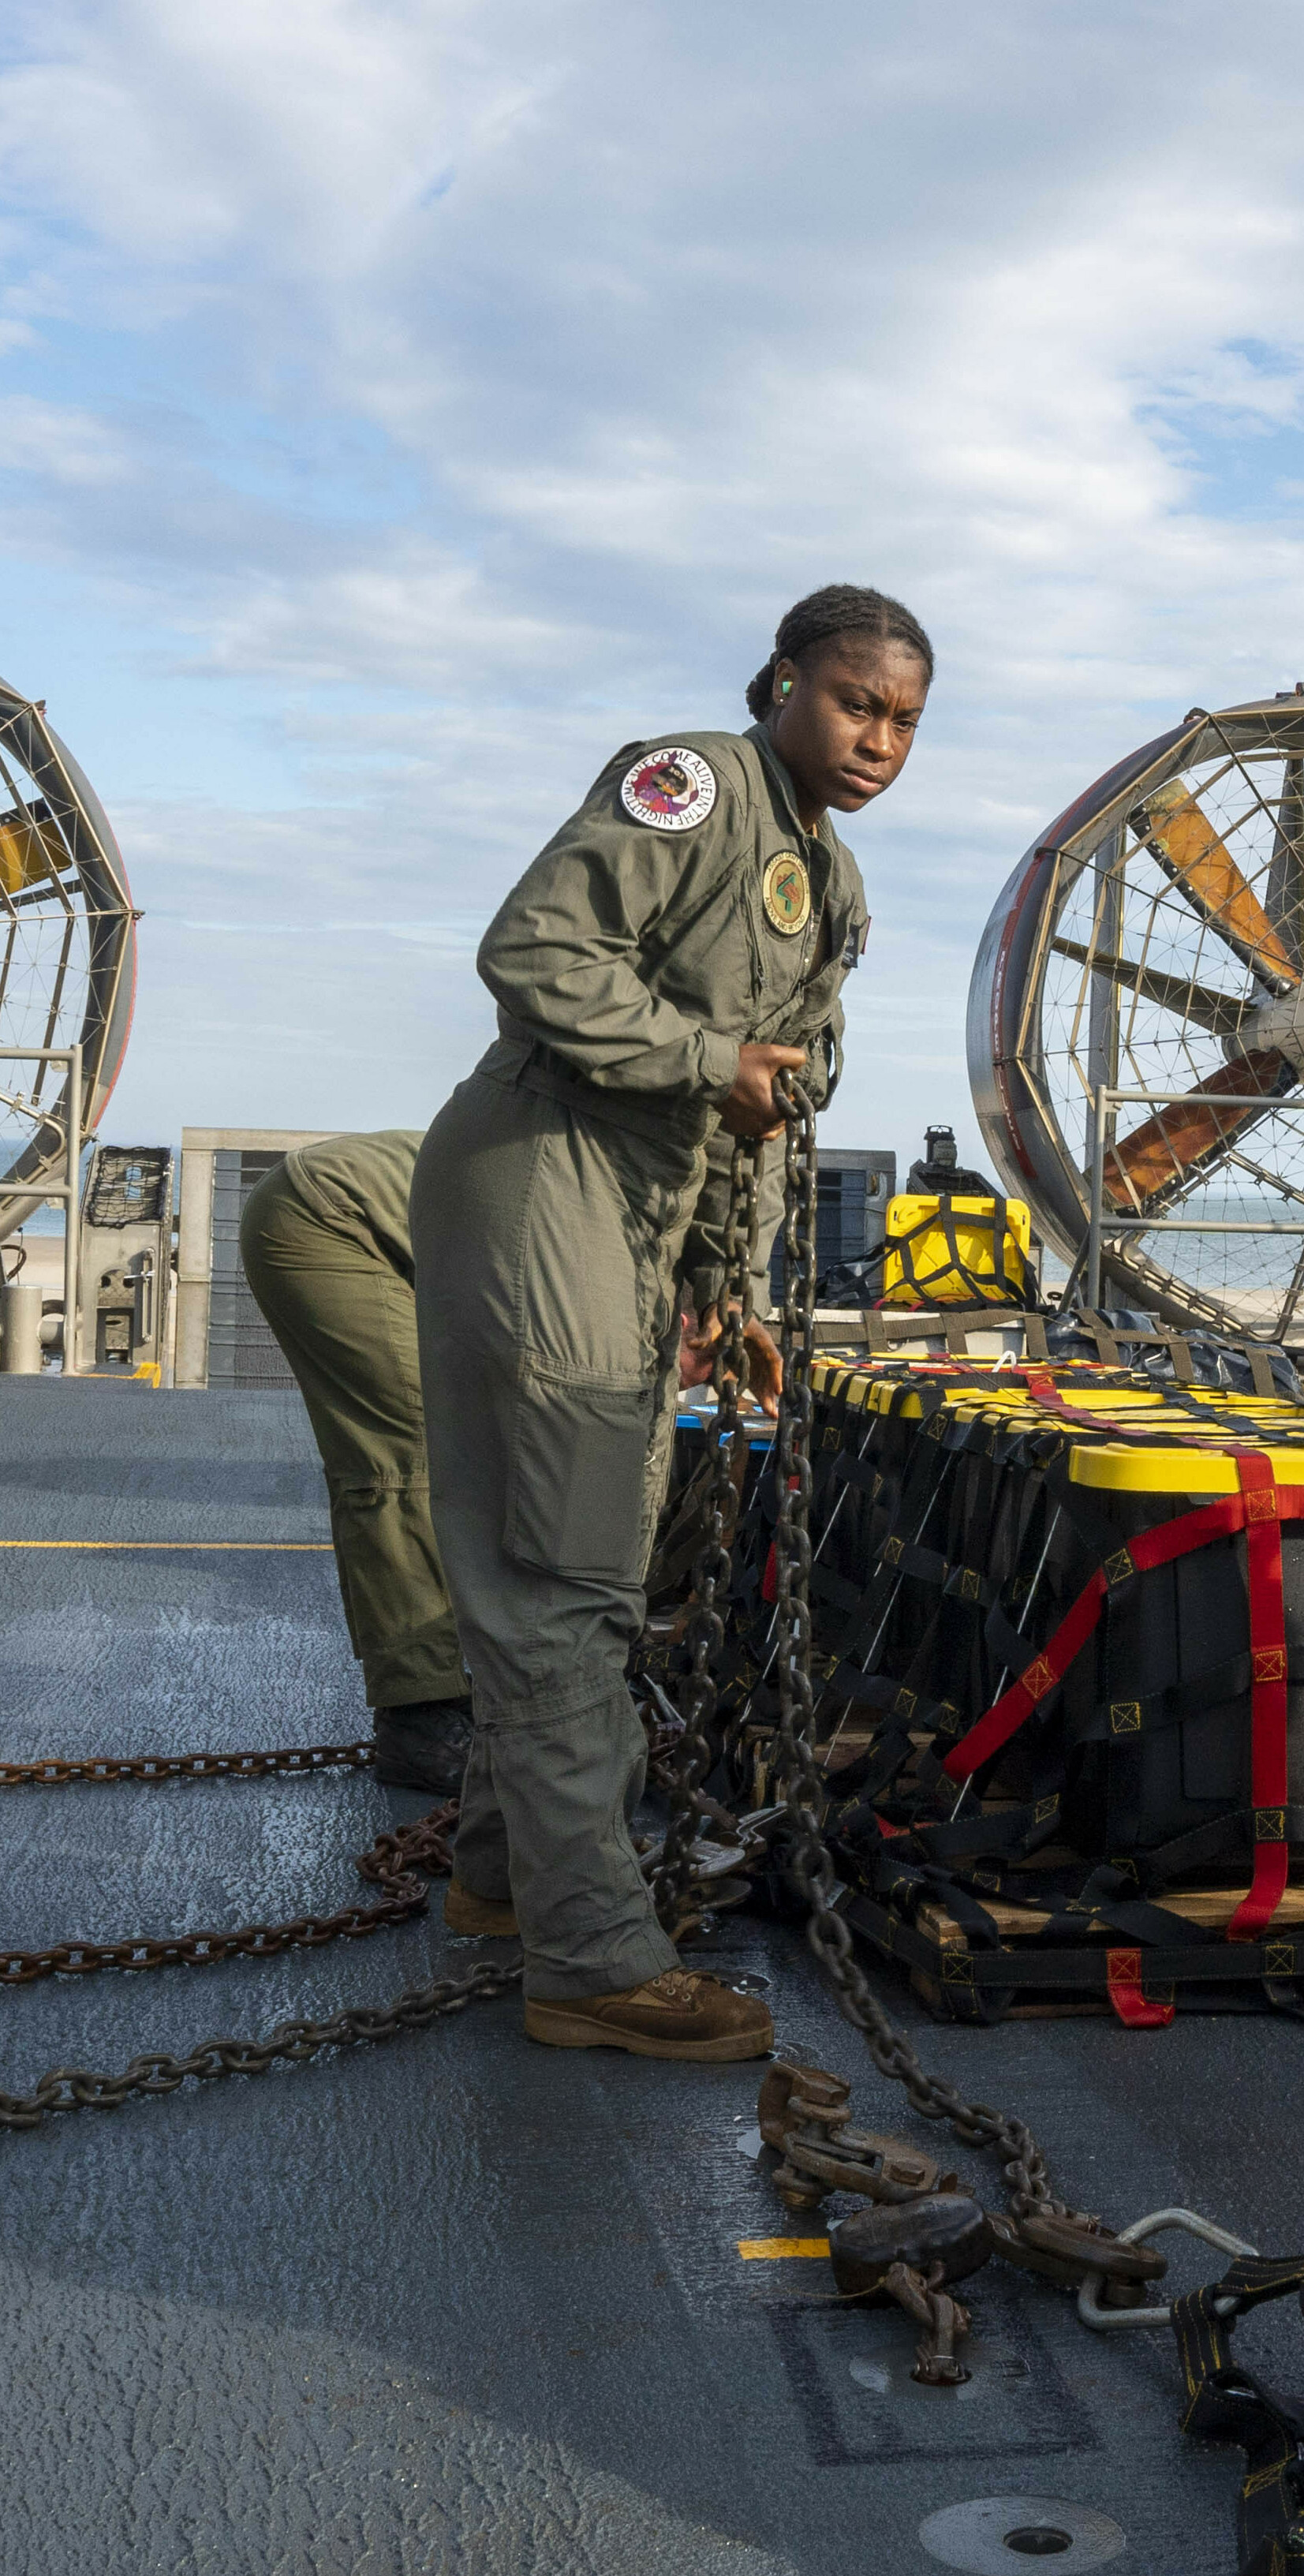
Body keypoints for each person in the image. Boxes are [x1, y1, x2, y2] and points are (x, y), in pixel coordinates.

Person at [414, 585, 927, 2061]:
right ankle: (587, 1960)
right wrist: (707, 1054)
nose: (878, 740)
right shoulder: (693, 786)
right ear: (783, 687)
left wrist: (727, 1288)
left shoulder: (827, 885)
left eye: (902, 721)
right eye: (854, 704)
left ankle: (507, 1882)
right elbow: (533, 953)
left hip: (641, 1209)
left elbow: (756, 1116)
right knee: (561, 1575)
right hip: (545, 1166)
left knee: (593, 1558)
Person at [235, 1130, 472, 1793]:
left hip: (380, 1228)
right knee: (406, 1456)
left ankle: (454, 1680)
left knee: (458, 1447)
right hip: (326, 1218)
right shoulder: (615, 1253)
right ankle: (420, 1717)